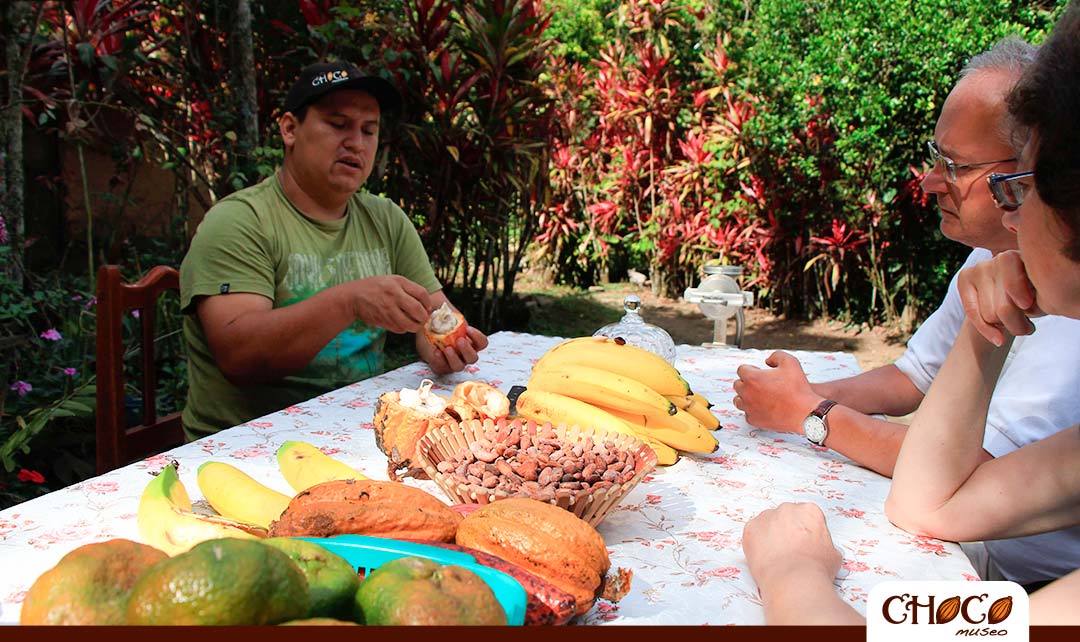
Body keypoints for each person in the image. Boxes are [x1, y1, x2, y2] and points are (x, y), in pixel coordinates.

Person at [741, 2, 1080, 624]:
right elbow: (928, 504)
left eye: (1022, 188)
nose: (1010, 216)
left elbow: (974, 632)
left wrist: (793, 573)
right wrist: (986, 332)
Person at [179, 61, 488, 438]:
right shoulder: (240, 222)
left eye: (369, 130)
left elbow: (433, 315)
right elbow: (240, 357)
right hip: (244, 445)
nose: (356, 142)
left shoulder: (385, 219)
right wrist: (349, 302)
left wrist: (442, 348)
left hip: (357, 432)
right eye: (338, 125)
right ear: (290, 129)